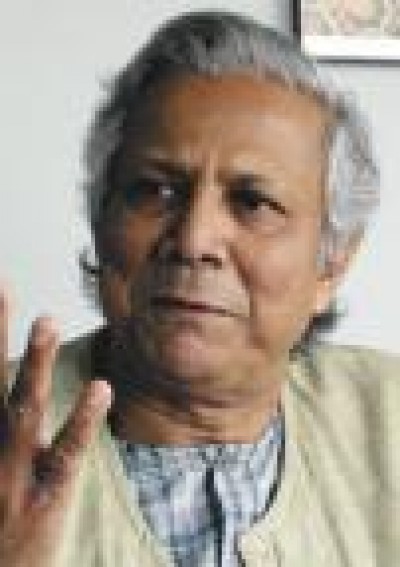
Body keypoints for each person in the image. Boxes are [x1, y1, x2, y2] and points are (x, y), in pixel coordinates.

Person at [0, 10, 399, 567]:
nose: (194, 240)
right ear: (101, 219)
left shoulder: (388, 420)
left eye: (253, 202)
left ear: (331, 265)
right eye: (155, 190)